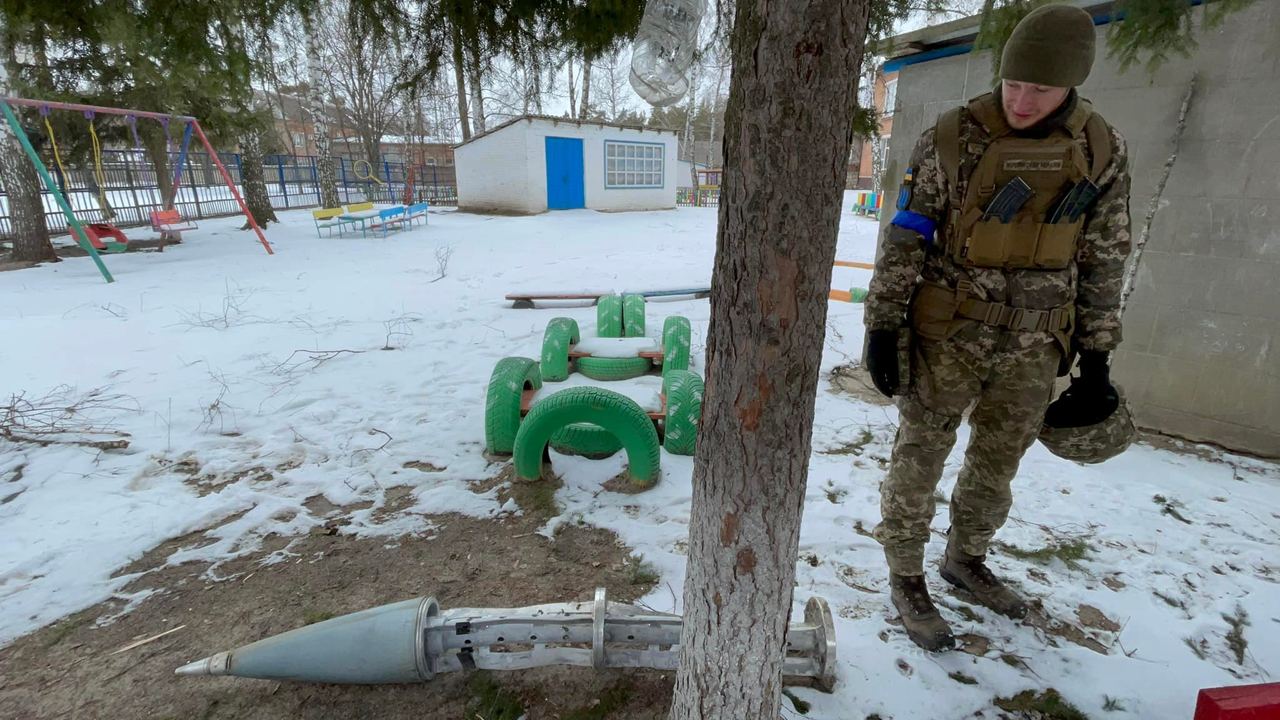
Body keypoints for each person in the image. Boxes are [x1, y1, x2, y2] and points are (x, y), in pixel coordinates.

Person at [862, 3, 1133, 651]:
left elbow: (1105, 255)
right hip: (949, 333)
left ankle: (966, 558)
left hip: (1037, 343)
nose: (1021, 100)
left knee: (997, 463)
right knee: (919, 456)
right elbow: (908, 233)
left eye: (1039, 89)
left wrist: (1096, 358)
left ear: (1071, 83)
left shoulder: (1101, 149)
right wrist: (883, 325)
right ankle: (906, 575)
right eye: (1013, 83)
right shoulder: (953, 136)